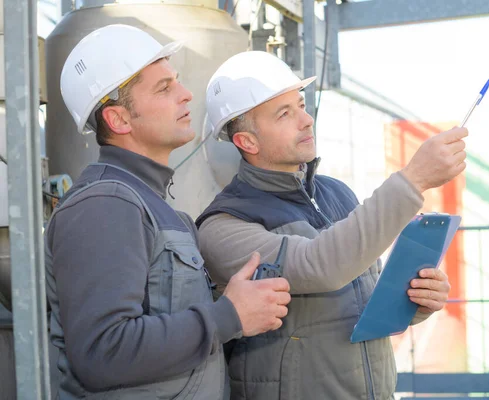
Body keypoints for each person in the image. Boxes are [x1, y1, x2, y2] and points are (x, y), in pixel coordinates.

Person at [196, 51, 466, 400]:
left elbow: (361, 298)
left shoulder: (336, 193)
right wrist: (412, 181)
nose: (306, 120)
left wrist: (414, 302)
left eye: (301, 105)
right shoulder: (224, 225)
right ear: (247, 141)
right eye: (285, 113)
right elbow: (318, 266)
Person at [44, 26, 291, 399]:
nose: (186, 94)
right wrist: (228, 316)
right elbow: (101, 352)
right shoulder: (106, 204)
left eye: (176, 81)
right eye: (164, 88)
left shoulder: (151, 204)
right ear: (120, 120)